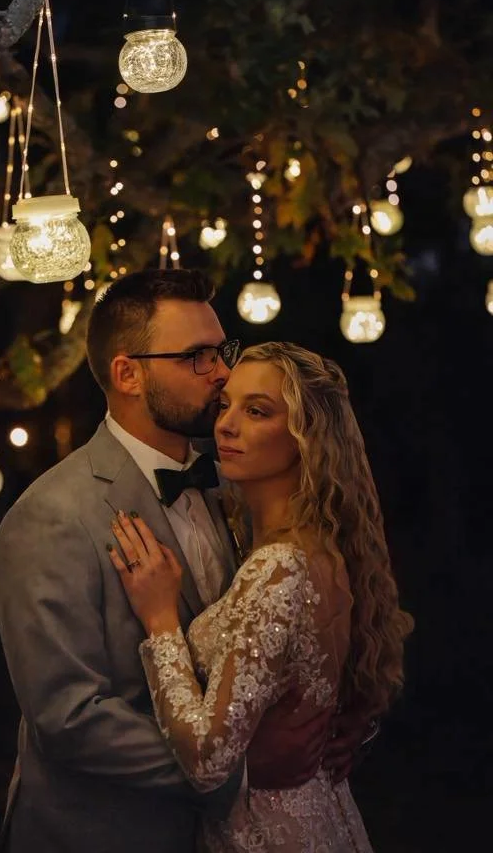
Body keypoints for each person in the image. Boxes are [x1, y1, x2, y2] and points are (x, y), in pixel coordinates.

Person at [0, 270, 364, 853]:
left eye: (221, 351)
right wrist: (242, 775)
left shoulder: (240, 479)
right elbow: (69, 719)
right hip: (109, 834)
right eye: (196, 357)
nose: (221, 373)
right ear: (127, 374)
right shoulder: (52, 516)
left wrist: (328, 725)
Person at [108, 340, 414, 853]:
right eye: (225, 405)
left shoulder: (279, 567)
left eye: (257, 411)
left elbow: (208, 760)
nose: (226, 425)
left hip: (267, 831)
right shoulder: (313, 547)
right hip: (317, 809)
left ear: (306, 438)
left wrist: (161, 621)